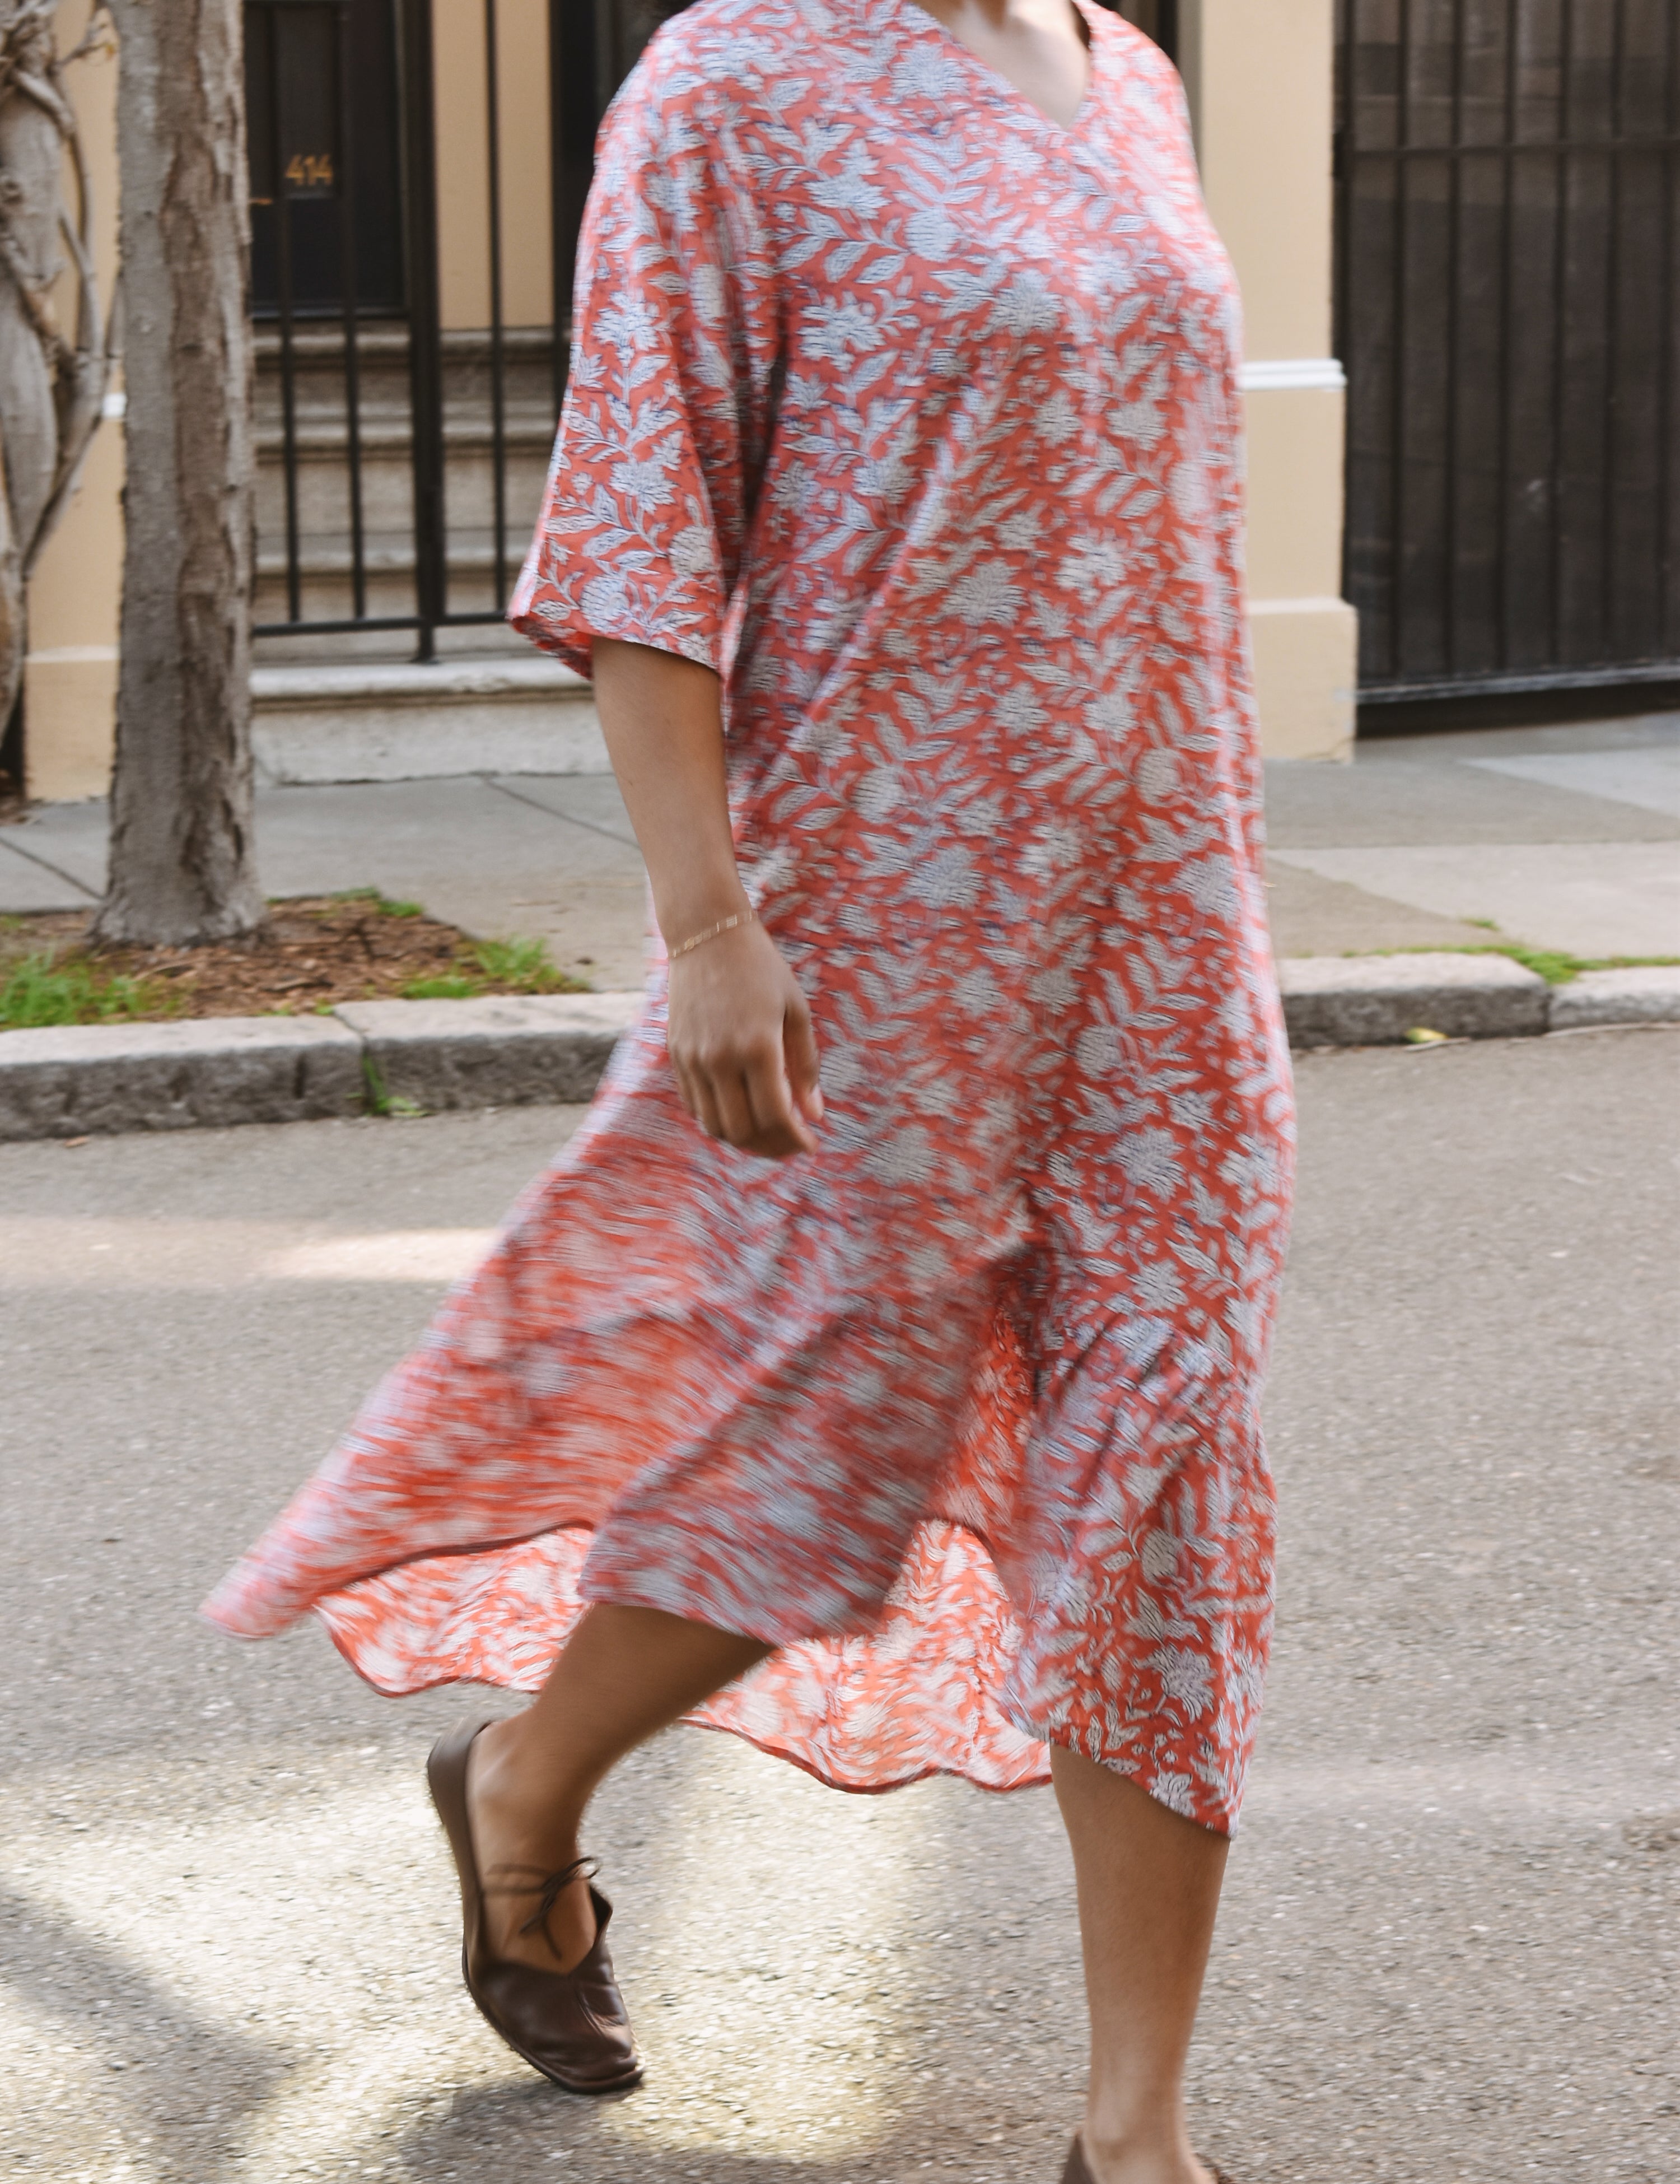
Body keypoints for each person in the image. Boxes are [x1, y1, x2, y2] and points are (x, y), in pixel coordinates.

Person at [206, 1, 1292, 2177]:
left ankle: (1135, 2131)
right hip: (878, 917)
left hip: (1161, 927)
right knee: (828, 1442)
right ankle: (523, 1789)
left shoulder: (1129, 70)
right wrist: (712, 923)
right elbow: (639, 534)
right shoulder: (739, 79)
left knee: (1169, 1460)